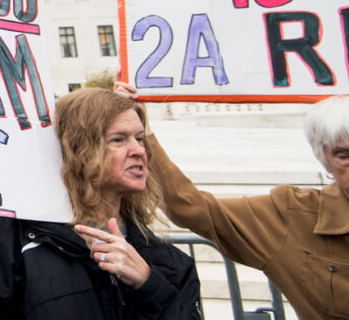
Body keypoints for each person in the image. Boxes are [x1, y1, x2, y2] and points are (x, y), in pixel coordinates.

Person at [0, 88, 201, 319]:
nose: (139, 150)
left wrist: (148, 285)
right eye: (118, 140)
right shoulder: (18, 235)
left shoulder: (169, 262)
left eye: (139, 138)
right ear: (79, 150)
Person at [117, 83, 349, 319]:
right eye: (344, 155)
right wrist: (141, 130)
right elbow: (190, 207)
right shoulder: (295, 216)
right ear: (324, 160)